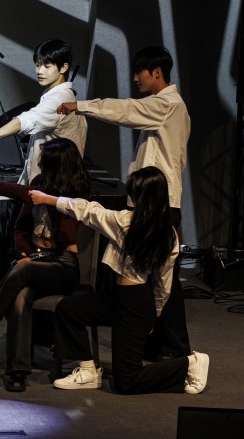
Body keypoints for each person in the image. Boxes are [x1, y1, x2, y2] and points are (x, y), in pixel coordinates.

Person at [57, 46, 190, 361]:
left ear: (156, 72)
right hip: (152, 203)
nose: (135, 78)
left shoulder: (167, 105)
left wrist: (81, 106)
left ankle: (176, 349)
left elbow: (126, 110)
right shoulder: (166, 107)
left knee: (161, 277)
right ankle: (156, 343)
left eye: (139, 72)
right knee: (147, 274)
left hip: (158, 205)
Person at [30, 166, 208, 395]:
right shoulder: (168, 233)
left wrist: (47, 198)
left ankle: (190, 364)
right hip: (122, 299)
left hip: (135, 306)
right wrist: (155, 312)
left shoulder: (126, 222)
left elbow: (87, 210)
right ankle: (88, 370)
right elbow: (163, 284)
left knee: (126, 381)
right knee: (68, 308)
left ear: (139, 197)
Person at [0, 138, 91, 392]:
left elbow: (26, 195)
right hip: (35, 262)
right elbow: (21, 227)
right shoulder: (40, 183)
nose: (40, 164)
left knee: (22, 269)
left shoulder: (75, 192)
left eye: (44, 161)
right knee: (20, 296)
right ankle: (17, 371)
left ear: (57, 165)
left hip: (63, 266)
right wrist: (23, 252)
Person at [0, 39, 87, 185]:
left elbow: (28, 119)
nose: (40, 71)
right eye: (38, 65)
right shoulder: (66, 97)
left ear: (63, 68)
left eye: (47, 66)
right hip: (58, 185)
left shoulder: (59, 100)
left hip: (52, 188)